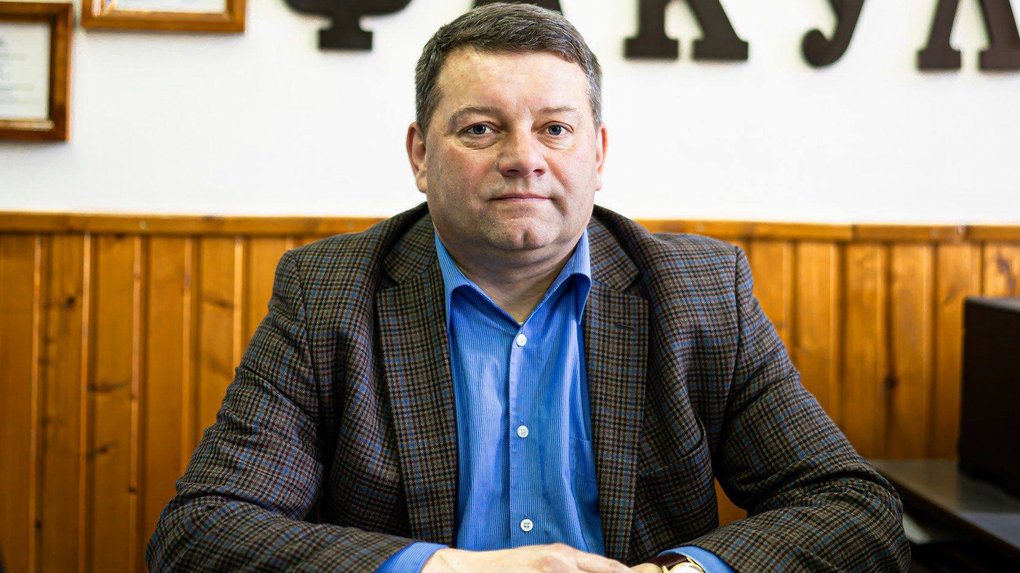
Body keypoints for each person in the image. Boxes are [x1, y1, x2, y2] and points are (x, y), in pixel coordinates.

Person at [147, 4, 909, 572]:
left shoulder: (702, 292)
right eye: (481, 128)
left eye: (555, 128)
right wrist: (447, 570)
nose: (523, 158)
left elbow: (855, 511)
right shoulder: (327, 295)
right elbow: (201, 531)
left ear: (598, 153)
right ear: (420, 155)